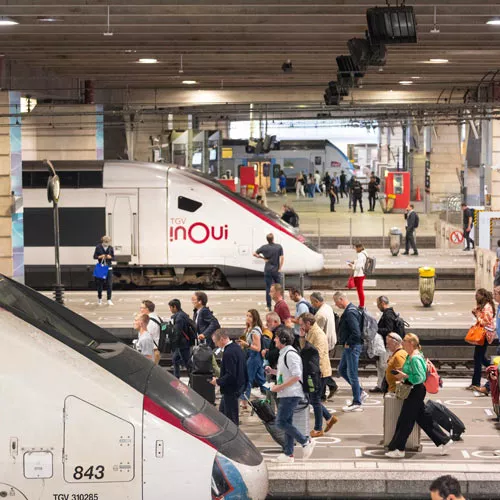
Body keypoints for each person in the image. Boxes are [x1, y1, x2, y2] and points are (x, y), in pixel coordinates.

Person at [385, 333, 452, 458]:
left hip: (415, 390)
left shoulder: (415, 358)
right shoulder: (412, 355)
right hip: (414, 390)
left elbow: (420, 378)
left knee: (406, 420)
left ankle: (399, 449)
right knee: (423, 418)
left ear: (411, 343)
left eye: (404, 341)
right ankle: (445, 440)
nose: (402, 343)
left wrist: (404, 376)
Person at [266, 327, 316, 463]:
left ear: (283, 340)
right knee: (287, 423)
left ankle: (305, 441)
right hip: (287, 393)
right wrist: (273, 371)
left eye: (276, 338)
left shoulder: (290, 354)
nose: (274, 340)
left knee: (281, 422)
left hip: (291, 393)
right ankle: (288, 454)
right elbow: (287, 373)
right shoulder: (284, 354)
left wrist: (279, 387)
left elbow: (297, 375)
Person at [298, 313, 338, 437]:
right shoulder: (310, 332)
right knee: (313, 399)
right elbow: (304, 349)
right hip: (314, 370)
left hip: (319, 371)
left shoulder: (318, 334)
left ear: (308, 323)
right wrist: (302, 337)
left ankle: (318, 428)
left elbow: (319, 355)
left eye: (302, 324)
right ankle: (329, 418)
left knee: (315, 400)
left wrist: (317, 372)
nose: (300, 327)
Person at [333, 291, 367, 412]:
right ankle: (360, 392)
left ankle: (357, 401)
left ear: (341, 299)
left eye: (336, 302)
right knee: (342, 370)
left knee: (352, 374)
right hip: (351, 346)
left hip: (352, 346)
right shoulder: (352, 309)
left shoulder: (350, 312)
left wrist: (348, 342)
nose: (336, 305)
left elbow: (356, 332)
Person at [210, 329, 247, 426]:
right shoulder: (237, 348)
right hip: (237, 386)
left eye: (216, 342)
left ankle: (233, 434)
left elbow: (231, 375)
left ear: (222, 339)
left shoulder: (228, 353)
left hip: (231, 389)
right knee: (223, 414)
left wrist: (217, 381)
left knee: (231, 419)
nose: (216, 345)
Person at [467, 288, 495, 391]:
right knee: (480, 357)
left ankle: (476, 382)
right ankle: (493, 369)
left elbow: (485, 322)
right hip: (483, 334)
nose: (476, 297)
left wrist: (477, 315)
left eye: (477, 295)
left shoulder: (487, 307)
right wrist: (477, 313)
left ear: (483, 296)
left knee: (478, 358)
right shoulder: (485, 306)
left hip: (484, 335)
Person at [238, 309, 267, 402]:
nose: (247, 318)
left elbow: (258, 348)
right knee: (261, 379)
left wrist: (246, 345)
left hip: (254, 356)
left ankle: (244, 400)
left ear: (255, 318)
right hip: (252, 356)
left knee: (247, 378)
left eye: (250, 316)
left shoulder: (255, 331)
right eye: (247, 315)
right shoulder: (249, 329)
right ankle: (271, 394)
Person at [253, 233, 284, 311]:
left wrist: (262, 258)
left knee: (268, 288)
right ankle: (281, 303)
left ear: (267, 240)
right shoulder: (278, 247)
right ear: (273, 239)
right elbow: (282, 258)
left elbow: (254, 253)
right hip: (276, 270)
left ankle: (269, 306)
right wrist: (280, 268)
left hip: (267, 270)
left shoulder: (264, 247)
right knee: (279, 287)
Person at [168, 299, 193, 379]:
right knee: (175, 360)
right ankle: (176, 378)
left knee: (187, 363)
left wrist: (172, 344)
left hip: (182, 344)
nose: (170, 309)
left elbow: (177, 332)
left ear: (174, 307)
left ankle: (193, 378)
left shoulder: (179, 318)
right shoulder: (183, 314)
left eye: (170, 307)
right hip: (183, 342)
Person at [93, 235, 115, 306]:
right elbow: (94, 256)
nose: (107, 243)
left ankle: (109, 299)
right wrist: (100, 256)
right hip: (101, 267)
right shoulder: (98, 247)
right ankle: (100, 298)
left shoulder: (110, 248)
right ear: (103, 241)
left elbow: (113, 257)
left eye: (108, 242)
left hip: (109, 268)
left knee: (109, 284)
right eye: (105, 242)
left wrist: (110, 257)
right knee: (100, 284)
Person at [140, 300, 161, 364]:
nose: (140, 310)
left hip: (152, 352)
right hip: (155, 350)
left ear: (147, 309)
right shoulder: (156, 317)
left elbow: (148, 336)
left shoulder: (150, 321)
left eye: (142, 308)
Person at [347, 243, 367, 308]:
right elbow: (360, 262)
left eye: (355, 248)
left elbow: (359, 266)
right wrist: (354, 261)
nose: (355, 250)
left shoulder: (361, 255)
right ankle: (361, 304)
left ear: (359, 248)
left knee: (360, 291)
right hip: (361, 274)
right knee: (359, 290)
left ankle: (361, 305)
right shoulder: (364, 253)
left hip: (359, 275)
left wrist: (352, 266)